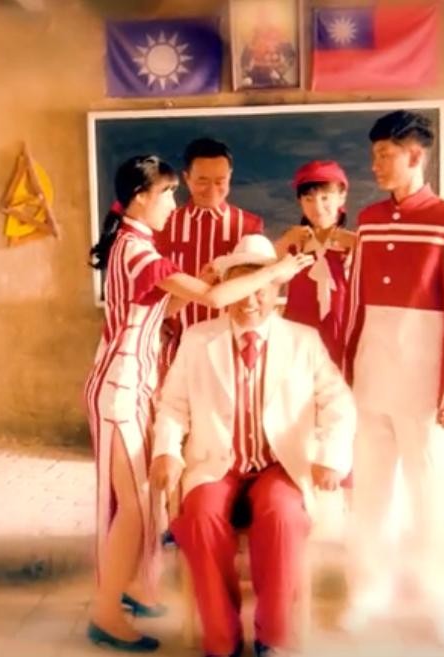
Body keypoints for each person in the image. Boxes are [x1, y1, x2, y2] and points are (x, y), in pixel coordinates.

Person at [84, 156, 313, 653]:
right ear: (141, 197)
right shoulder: (137, 250)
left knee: (142, 502)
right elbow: (214, 300)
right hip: (120, 387)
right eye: (168, 193)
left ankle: (134, 586)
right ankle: (105, 612)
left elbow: (166, 304)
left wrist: (203, 278)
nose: (174, 204)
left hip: (134, 382)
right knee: (133, 508)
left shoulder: (136, 243)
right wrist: (276, 271)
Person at [151, 234, 356, 657]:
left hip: (279, 465)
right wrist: (167, 451)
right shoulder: (198, 339)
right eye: (242, 287)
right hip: (216, 464)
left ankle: (272, 637)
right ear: (228, 289)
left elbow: (338, 402)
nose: (250, 300)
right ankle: (221, 639)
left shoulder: (302, 340)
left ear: (275, 288)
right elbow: (172, 405)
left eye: (261, 288)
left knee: (283, 517)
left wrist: (330, 457)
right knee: (200, 517)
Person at [340, 110, 444, 642]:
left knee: (433, 496)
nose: (376, 164)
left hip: (426, 387)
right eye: (374, 154)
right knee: (370, 496)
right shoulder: (371, 218)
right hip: (372, 378)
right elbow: (356, 304)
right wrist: (345, 372)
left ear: (416, 155)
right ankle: (367, 592)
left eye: (386, 154)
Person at [155, 138, 264, 369]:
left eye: (220, 181)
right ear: (186, 178)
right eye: (202, 181)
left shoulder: (249, 226)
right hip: (177, 345)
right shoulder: (164, 223)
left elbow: (257, 286)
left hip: (231, 346)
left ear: (230, 177)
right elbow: (153, 285)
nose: (212, 189)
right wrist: (158, 321)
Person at [274, 159, 356, 368]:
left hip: (343, 336)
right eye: (308, 199)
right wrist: (284, 243)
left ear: (342, 196)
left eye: (325, 198)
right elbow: (264, 276)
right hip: (297, 336)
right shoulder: (293, 244)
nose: (317, 207)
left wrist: (360, 244)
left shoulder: (354, 244)